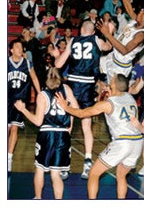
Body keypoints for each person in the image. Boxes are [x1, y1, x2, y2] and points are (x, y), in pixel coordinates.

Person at [55, 73, 143, 199]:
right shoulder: (130, 97)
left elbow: (81, 113)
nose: (109, 82)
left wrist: (65, 106)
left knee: (94, 174)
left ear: (114, 85)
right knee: (121, 175)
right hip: (137, 142)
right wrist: (111, 92)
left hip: (123, 142)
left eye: (111, 81)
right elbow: (120, 95)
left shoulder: (107, 104)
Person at [52, 20, 112, 179]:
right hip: (87, 88)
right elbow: (110, 46)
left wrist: (57, 55)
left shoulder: (72, 41)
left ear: (80, 30)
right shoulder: (97, 41)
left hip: (72, 86)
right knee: (86, 126)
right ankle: (87, 163)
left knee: (68, 126)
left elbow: (58, 64)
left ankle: (64, 164)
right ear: (93, 32)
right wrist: (109, 32)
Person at [14, 67, 79, 199]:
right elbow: (76, 109)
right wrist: (70, 125)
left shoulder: (42, 95)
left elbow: (38, 122)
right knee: (56, 174)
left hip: (47, 134)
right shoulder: (66, 89)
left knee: (40, 169)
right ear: (60, 78)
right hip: (62, 134)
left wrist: (23, 110)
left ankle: (38, 198)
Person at [8, 39, 41, 172]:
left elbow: (34, 78)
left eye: (21, 47)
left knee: (14, 128)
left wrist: (40, 94)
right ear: (11, 50)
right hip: (6, 100)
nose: (20, 49)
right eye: (17, 47)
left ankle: (9, 158)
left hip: (19, 101)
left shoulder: (27, 63)